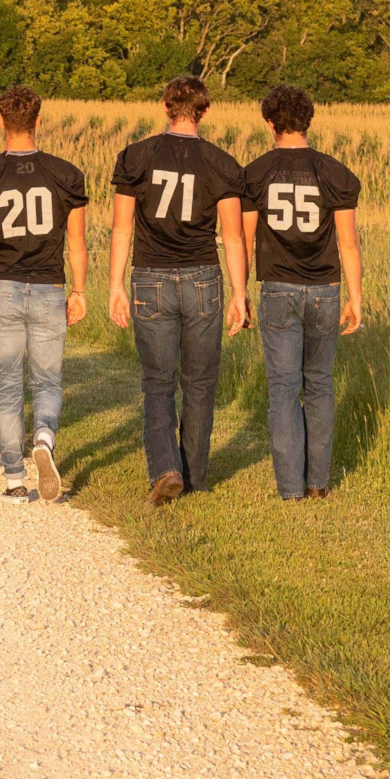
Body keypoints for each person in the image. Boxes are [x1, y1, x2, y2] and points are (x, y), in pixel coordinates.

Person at [106, 74, 249, 505]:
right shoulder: (222, 163)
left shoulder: (136, 156)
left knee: (157, 381)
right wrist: (240, 295)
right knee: (201, 381)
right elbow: (235, 236)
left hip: (150, 276)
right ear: (204, 111)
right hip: (203, 277)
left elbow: (121, 227)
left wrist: (114, 285)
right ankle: (195, 476)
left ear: (166, 108)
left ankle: (166, 468)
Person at [0, 84, 90, 503]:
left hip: (2, 288)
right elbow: (77, 244)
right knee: (47, 380)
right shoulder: (66, 175)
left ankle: (15, 479)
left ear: (0, 121)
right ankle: (45, 440)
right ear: (38, 120)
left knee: (8, 385)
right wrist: (80, 291)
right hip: (49, 286)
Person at [235, 85, 366, 500]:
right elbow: (348, 243)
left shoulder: (254, 173)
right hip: (325, 288)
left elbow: (244, 237)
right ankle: (318, 485)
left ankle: (290, 488)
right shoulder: (336, 173)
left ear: (270, 124)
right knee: (321, 384)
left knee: (284, 387)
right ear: (308, 121)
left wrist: (241, 292)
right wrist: (356, 297)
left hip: (276, 288)